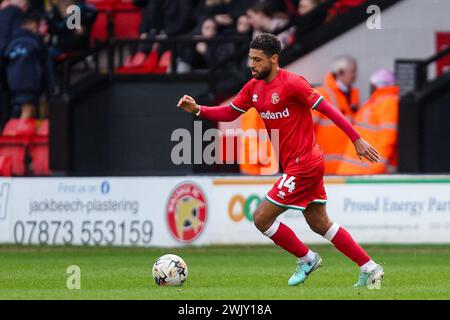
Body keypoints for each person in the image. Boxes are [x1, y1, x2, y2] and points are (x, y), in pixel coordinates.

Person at [177, 33, 384, 288]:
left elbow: (328, 109)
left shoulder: (293, 83)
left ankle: (307, 259)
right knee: (320, 224)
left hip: (304, 164)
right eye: (250, 59)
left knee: (262, 217)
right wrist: (199, 109)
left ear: (274, 59)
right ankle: (369, 267)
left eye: (257, 59)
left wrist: (356, 139)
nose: (251, 65)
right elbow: (230, 112)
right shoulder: (253, 87)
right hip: (298, 164)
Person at [337, 69, 399, 175]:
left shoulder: (387, 102)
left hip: (364, 173)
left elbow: (388, 140)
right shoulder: (376, 102)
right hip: (355, 171)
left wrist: (376, 170)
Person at [314, 55, 360, 175]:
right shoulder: (322, 94)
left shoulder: (353, 96)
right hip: (326, 168)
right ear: (340, 72)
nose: (355, 75)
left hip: (348, 166)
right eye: (353, 71)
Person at [4, 10, 46, 118]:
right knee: (27, 112)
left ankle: (11, 133)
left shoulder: (11, 42)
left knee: (16, 112)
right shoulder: (35, 40)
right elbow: (44, 62)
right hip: (29, 83)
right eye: (37, 26)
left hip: (12, 84)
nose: (37, 29)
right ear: (31, 24)